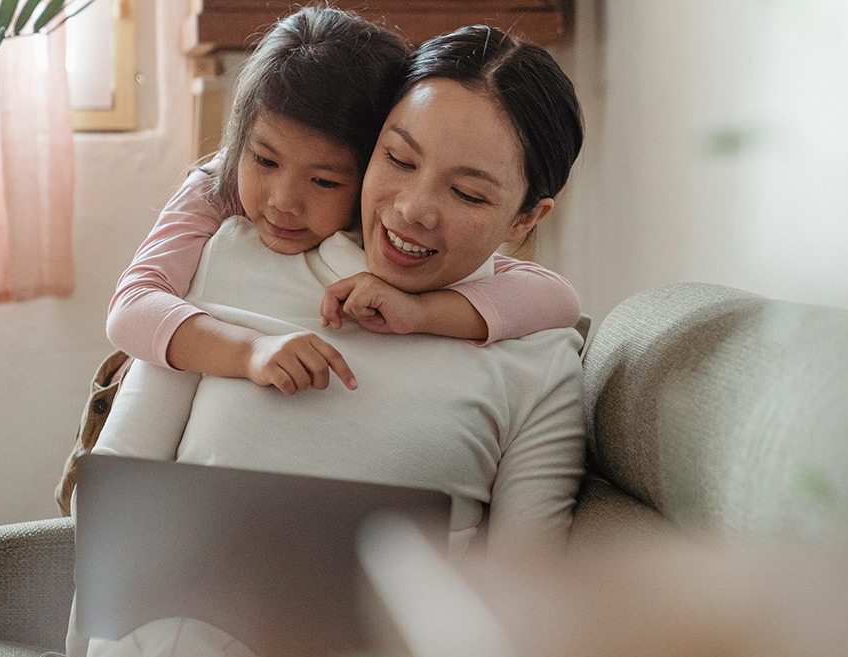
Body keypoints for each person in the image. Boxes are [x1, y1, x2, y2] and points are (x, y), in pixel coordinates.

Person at [71, 16, 588, 657]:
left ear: (527, 217)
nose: (412, 209)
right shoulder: (226, 252)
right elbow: (117, 507)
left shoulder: (540, 354)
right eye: (398, 160)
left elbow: (522, 607)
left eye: (466, 193)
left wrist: (426, 314)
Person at [106, 13, 581, 397]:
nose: (284, 202)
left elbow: (557, 299)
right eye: (265, 160)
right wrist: (250, 350)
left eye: (324, 181)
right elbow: (131, 305)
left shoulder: (389, 206)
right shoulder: (218, 184)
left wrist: (423, 312)